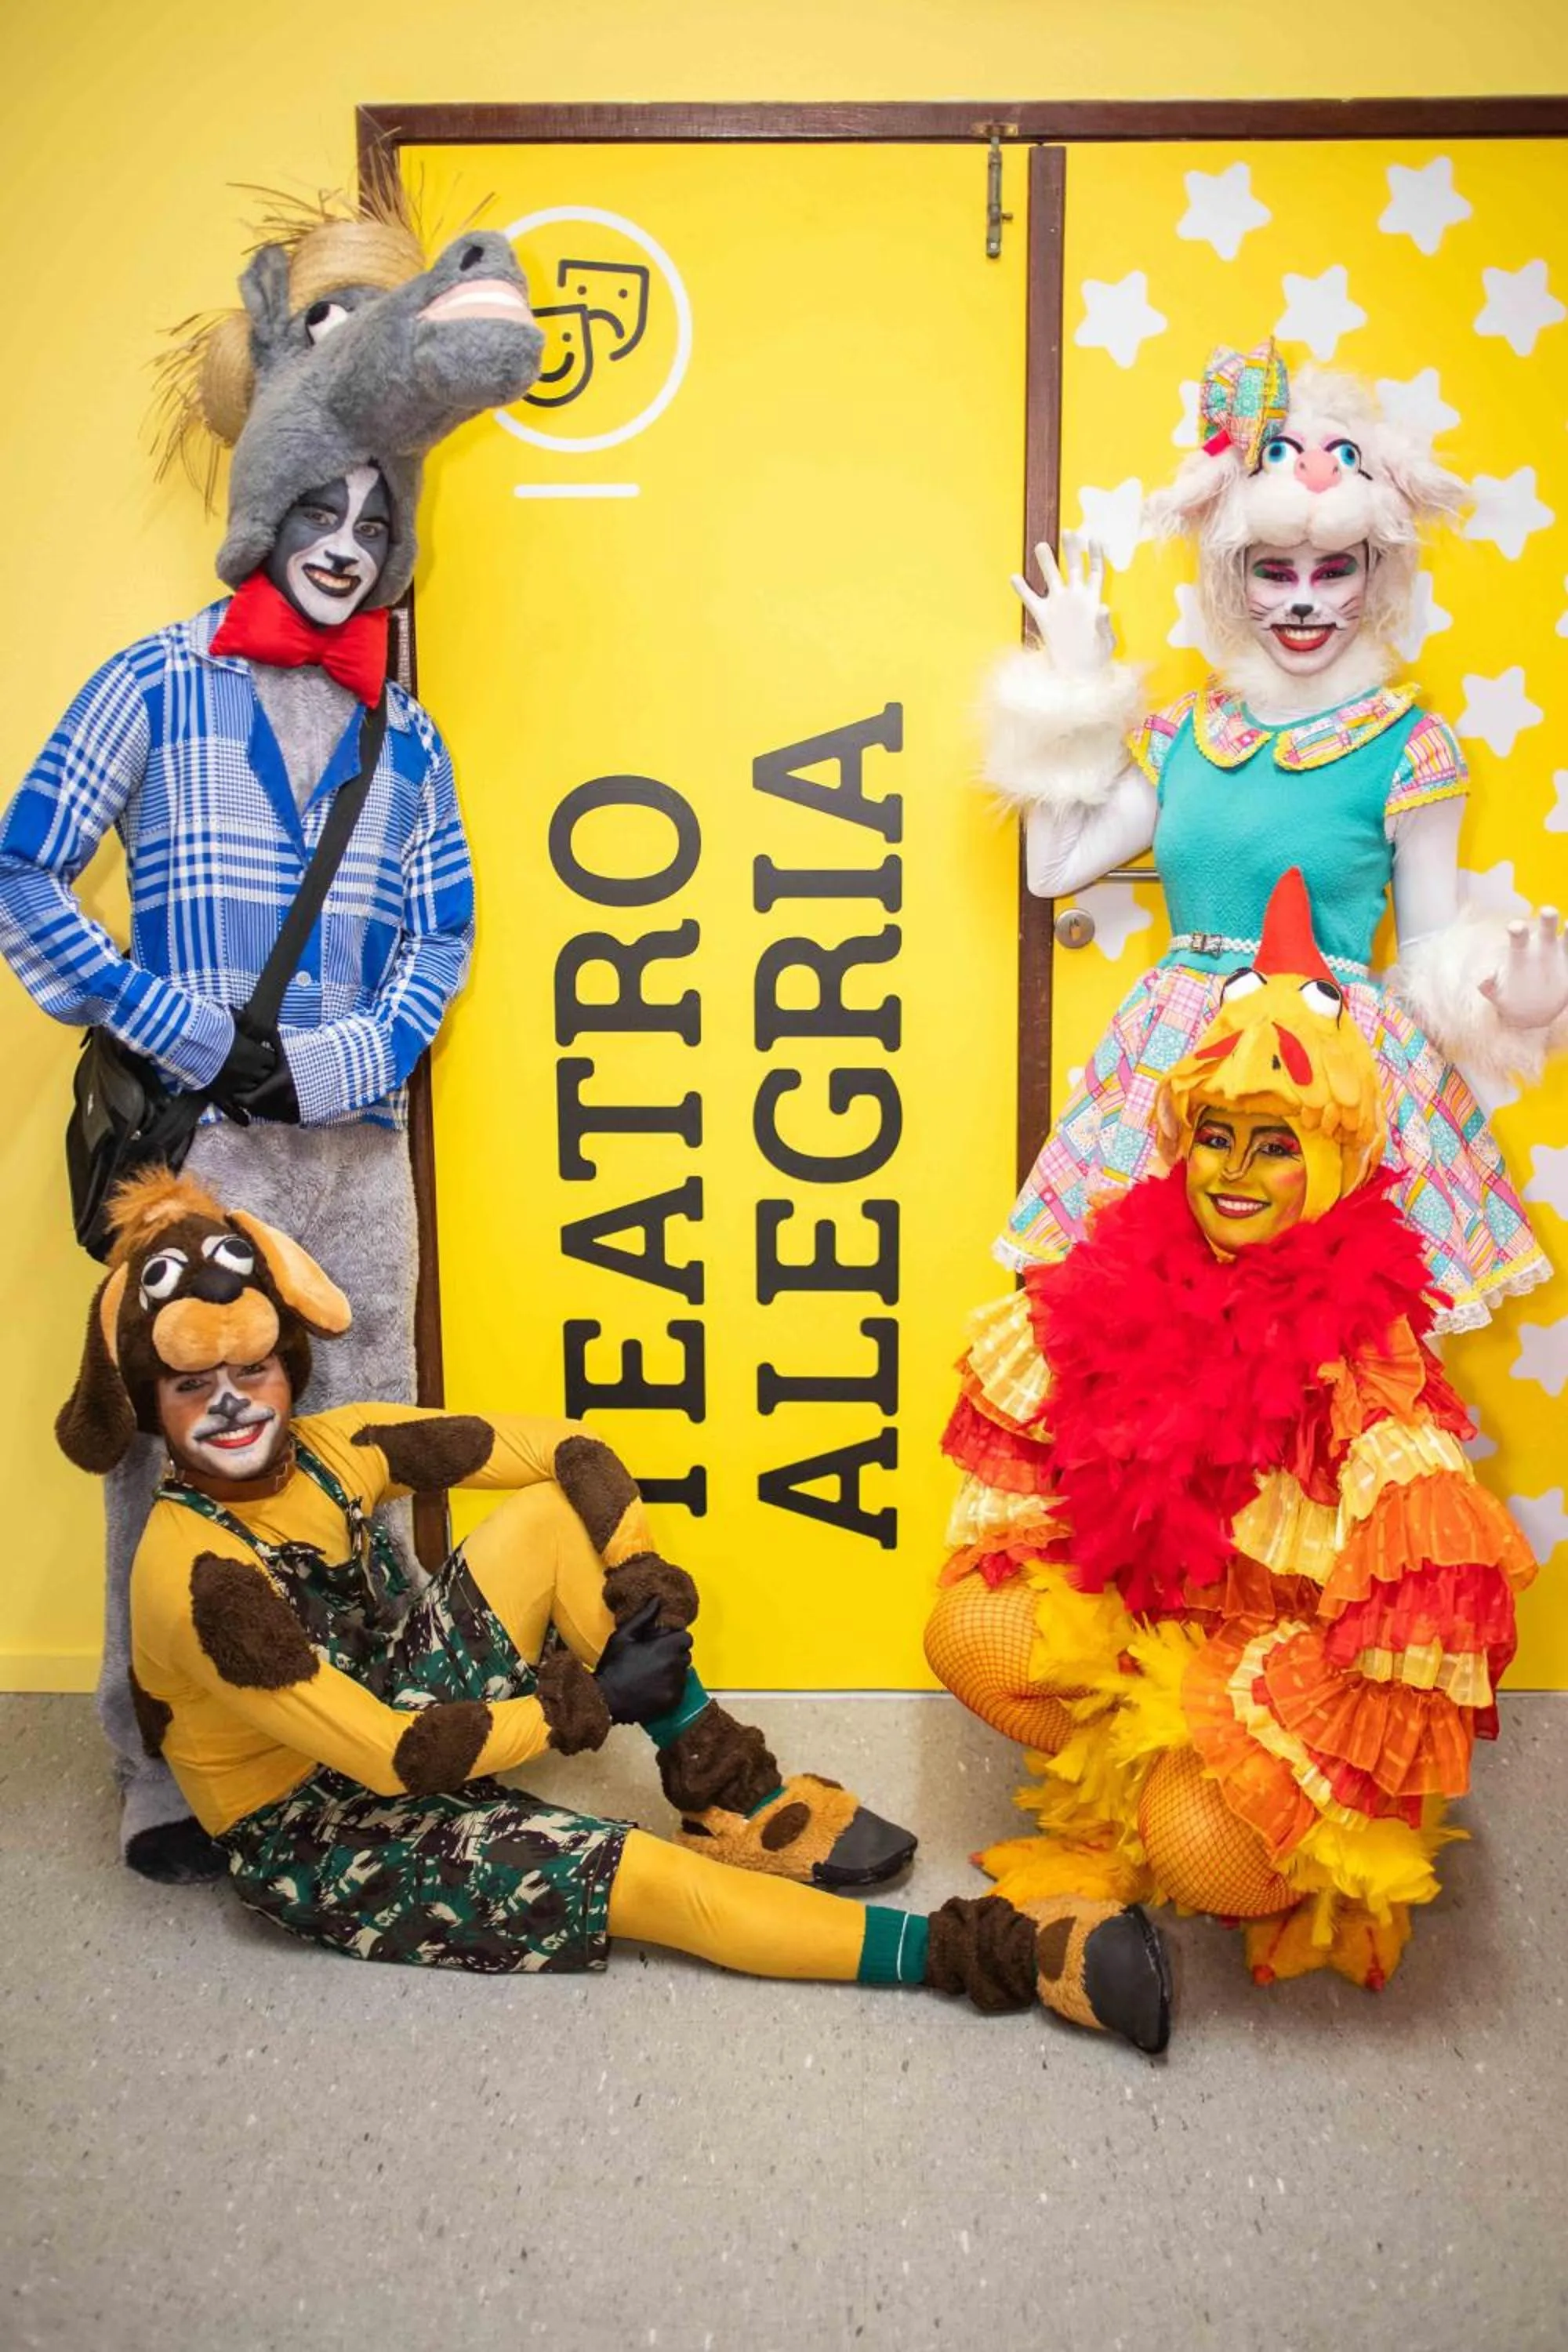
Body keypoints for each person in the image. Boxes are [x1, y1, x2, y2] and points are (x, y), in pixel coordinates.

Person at [53, 1165, 1172, 2053]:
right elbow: (395, 1756)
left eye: (253, 1366)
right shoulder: (196, 1581)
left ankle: (730, 1793)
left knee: (549, 1516)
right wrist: (587, 1704)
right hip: (327, 1826)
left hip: (397, 1707)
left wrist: (632, 1569)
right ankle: (1004, 1955)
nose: (236, 1402)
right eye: (196, 1385)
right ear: (151, 1406)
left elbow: (562, 1448)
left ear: (289, 1360)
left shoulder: (337, 1450)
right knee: (651, 1882)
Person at [0, 187, 544, 1878]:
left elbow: (443, 933)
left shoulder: (414, 733)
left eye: (379, 511)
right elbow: (25, 859)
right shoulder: (154, 683)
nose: (346, 536)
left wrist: (333, 1058)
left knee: (354, 1447)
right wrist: (176, 1023)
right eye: (324, 499)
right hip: (203, 1152)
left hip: (351, 1155)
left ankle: (360, 1738)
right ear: (270, 496)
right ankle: (163, 1762)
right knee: (178, 1457)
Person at [925, 871, 1538, 1997]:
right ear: (1180, 1139)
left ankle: (1255, 1832)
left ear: (1339, 1161)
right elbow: (1048, 1468)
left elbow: (1425, 1568)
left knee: (1203, 1850)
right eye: (1218, 1136)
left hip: (1280, 1660)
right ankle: (1119, 1812)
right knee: (970, 1629)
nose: (1238, 1175)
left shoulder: (1363, 1347)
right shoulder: (1119, 1272)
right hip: (1153, 1624)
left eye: (1277, 1145)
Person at [985, 338, 1566, 1330]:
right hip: (1183, 1059)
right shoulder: (1181, 737)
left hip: (1331, 1061)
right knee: (1165, 1338)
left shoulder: (1407, 747)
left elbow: (1425, 956)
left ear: (1371, 577)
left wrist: (1513, 1001)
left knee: (1321, 1337)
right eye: (1273, 570)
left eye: (1331, 569)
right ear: (1231, 579)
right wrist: (1071, 689)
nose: (1302, 600)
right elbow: (1051, 869)